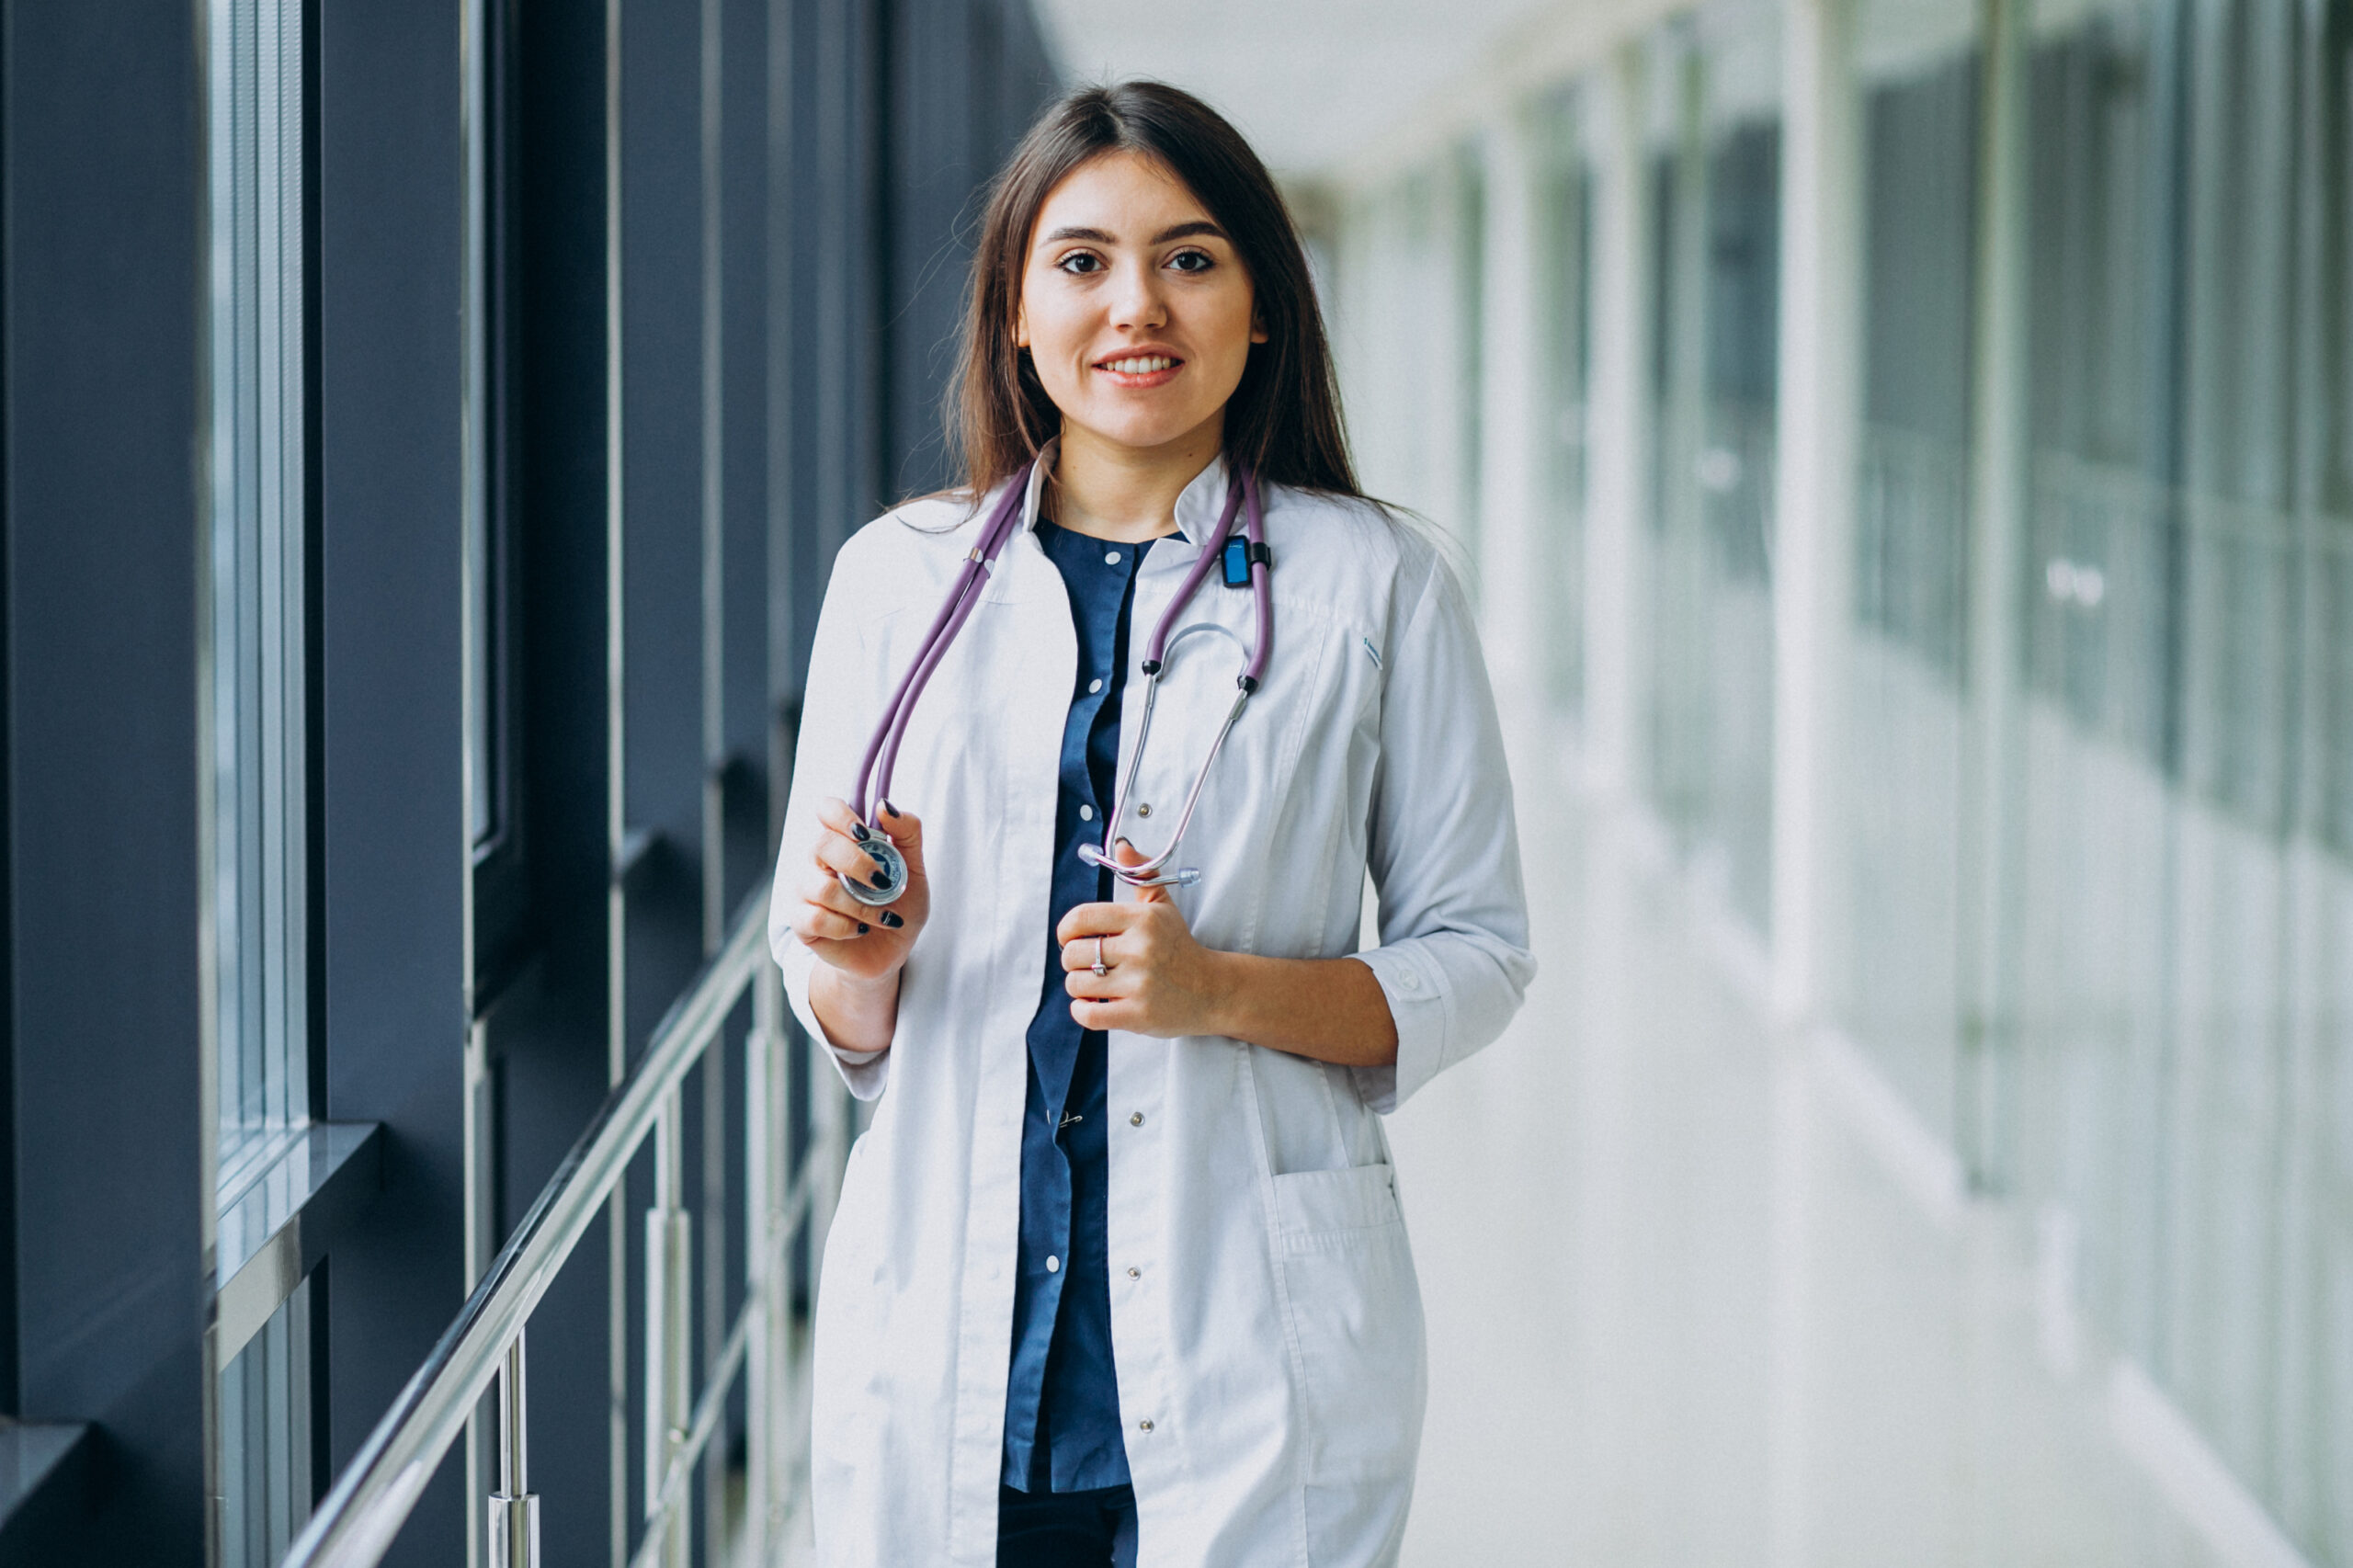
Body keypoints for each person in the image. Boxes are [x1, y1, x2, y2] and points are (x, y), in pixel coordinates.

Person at [767, 79, 1532, 1568]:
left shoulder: (1374, 588)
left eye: (1190, 258)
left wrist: (1217, 990)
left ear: (1262, 309)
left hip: (1256, 1362)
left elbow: (1482, 953)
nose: (1137, 305)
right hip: (951, 1367)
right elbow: (840, 1006)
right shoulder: (895, 582)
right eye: (1082, 261)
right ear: (1013, 313)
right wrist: (863, 951)